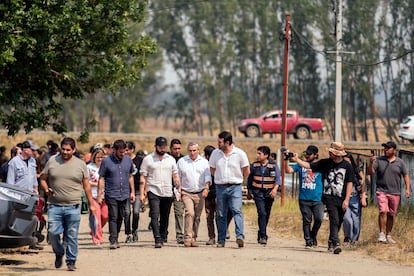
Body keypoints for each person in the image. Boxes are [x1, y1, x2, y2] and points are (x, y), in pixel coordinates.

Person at [39, 137, 96, 271]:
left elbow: (87, 186)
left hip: (73, 206)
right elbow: (42, 179)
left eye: (68, 150)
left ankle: (71, 260)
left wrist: (91, 204)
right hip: (55, 205)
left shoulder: (81, 164)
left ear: (74, 150)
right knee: (52, 232)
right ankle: (59, 253)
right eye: (63, 149)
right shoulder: (52, 161)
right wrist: (47, 189)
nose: (65, 152)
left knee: (71, 234)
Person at [291, 142, 353, 254]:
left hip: (341, 197)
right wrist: (297, 160)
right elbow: (309, 166)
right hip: (329, 197)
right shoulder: (325, 163)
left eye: (331, 152)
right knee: (334, 219)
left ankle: (331, 241)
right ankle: (335, 243)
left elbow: (349, 183)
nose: (329, 153)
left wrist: (347, 199)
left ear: (337, 154)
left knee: (339, 221)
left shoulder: (347, 166)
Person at [209, 131, 250, 248]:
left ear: (227, 142)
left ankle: (240, 236)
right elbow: (212, 169)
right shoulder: (215, 154)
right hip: (220, 187)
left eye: (220, 142)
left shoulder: (240, 153)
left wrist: (239, 178)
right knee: (221, 214)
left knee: (237, 210)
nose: (218, 144)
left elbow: (246, 169)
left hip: (235, 187)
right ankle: (221, 240)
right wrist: (219, 177)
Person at [139, 136, 180, 248]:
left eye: (164, 147)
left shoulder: (170, 159)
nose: (162, 149)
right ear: (155, 146)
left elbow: (175, 175)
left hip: (167, 191)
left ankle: (162, 235)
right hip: (153, 190)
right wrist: (142, 193)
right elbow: (143, 177)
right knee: (154, 215)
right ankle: (157, 238)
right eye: (160, 147)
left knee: (165, 217)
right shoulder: (148, 159)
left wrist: (178, 187)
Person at [368, 141, 411, 244]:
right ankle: (381, 234)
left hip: (395, 192)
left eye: (388, 148)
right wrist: (370, 163)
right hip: (381, 191)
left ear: (394, 150)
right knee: (383, 211)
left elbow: (405, 175)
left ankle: (388, 235)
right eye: (385, 148)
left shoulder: (400, 162)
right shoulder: (378, 160)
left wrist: (408, 189)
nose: (385, 150)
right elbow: (370, 172)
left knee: (391, 214)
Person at [97, 139, 135, 250]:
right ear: (114, 150)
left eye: (124, 152)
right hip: (111, 193)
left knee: (120, 217)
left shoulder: (128, 160)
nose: (123, 154)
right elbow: (101, 178)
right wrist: (100, 195)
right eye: (120, 152)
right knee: (113, 216)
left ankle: (116, 236)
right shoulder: (106, 161)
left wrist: (132, 191)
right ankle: (113, 239)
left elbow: (130, 176)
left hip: (124, 193)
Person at [285, 145, 324, 248]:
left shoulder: (320, 164)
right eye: (306, 153)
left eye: (310, 154)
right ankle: (308, 240)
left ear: (316, 155)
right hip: (304, 198)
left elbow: (310, 167)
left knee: (319, 219)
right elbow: (288, 170)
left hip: (318, 198)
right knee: (307, 220)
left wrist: (297, 159)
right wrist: (286, 160)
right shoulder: (300, 165)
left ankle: (313, 235)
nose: (307, 155)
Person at [177, 142, 211, 247]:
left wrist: (206, 188)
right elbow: (178, 177)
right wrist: (178, 189)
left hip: (200, 192)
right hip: (186, 192)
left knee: (197, 216)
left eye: (194, 150)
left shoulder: (204, 162)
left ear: (198, 150)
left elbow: (207, 176)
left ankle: (193, 237)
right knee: (189, 213)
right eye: (190, 150)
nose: (192, 153)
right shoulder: (182, 161)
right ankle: (187, 237)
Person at [247, 146, 280, 245]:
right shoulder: (254, 165)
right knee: (262, 213)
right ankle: (263, 235)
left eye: (259, 153)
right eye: (257, 153)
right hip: (258, 193)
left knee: (267, 214)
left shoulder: (273, 166)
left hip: (269, 193)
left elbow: (278, 179)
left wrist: (274, 190)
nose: (257, 155)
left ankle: (261, 231)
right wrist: (249, 191)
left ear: (266, 155)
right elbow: (250, 179)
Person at [342, 153, 367, 246]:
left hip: (355, 197)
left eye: (347, 161)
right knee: (347, 219)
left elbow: (363, 183)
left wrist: (363, 196)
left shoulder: (357, 171)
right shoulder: (341, 170)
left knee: (356, 220)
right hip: (345, 198)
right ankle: (347, 237)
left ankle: (355, 239)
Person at [87, 148, 108, 245]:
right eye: (97, 157)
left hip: (105, 196)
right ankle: (97, 238)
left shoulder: (106, 167)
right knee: (97, 218)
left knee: (105, 216)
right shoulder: (89, 167)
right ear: (93, 157)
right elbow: (85, 182)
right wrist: (96, 184)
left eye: (102, 157)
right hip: (93, 196)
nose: (99, 159)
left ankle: (94, 230)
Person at [168, 138, 185, 244]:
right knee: (164, 213)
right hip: (166, 188)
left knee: (179, 212)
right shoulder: (166, 158)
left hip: (178, 189)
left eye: (179, 148)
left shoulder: (184, 160)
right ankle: (162, 233)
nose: (177, 151)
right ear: (171, 149)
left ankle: (179, 235)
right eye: (175, 149)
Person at [125, 141, 143, 242]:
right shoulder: (122, 160)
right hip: (125, 190)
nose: (125, 152)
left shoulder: (139, 160)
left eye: (127, 150)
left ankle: (134, 229)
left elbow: (143, 176)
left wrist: (143, 192)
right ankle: (128, 233)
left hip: (137, 189)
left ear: (132, 150)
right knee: (127, 212)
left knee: (136, 212)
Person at [203, 145, 217, 245]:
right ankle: (212, 237)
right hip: (209, 194)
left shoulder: (218, 165)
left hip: (216, 194)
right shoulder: (204, 165)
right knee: (211, 217)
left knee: (214, 217)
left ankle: (213, 237)